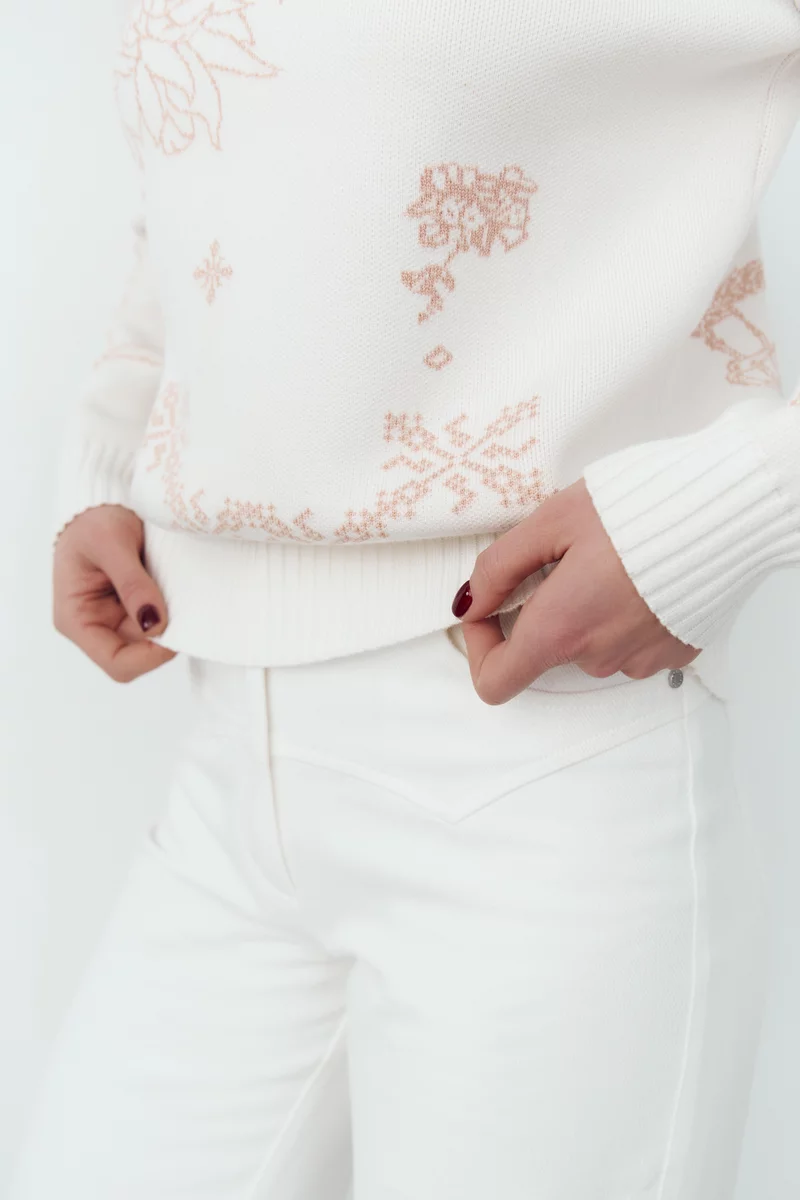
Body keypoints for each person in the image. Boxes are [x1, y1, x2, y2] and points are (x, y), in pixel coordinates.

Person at [11, 3, 800, 1197]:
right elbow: (210, 179)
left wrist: (723, 507)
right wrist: (110, 463)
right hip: (224, 769)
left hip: (539, 753)